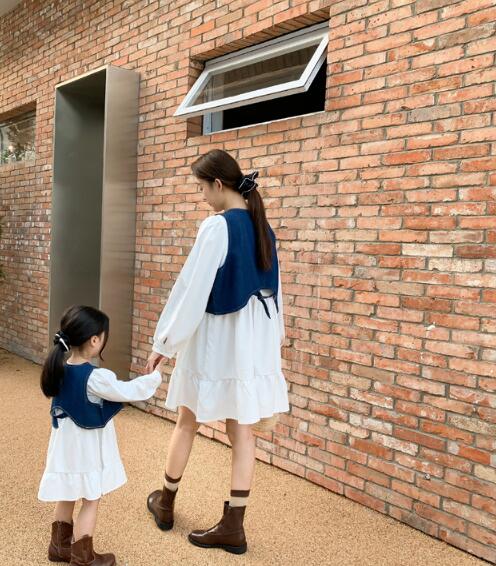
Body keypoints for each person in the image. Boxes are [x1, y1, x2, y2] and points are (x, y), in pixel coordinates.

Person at [146, 149, 289, 554]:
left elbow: (191, 291)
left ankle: (165, 503)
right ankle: (233, 526)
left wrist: (164, 344)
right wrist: (275, 342)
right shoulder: (263, 227)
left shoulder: (217, 227)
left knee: (187, 420)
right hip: (255, 340)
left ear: (219, 184)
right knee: (241, 430)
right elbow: (277, 294)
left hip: (220, 338)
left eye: (202, 188)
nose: (203, 196)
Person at [38, 305, 162, 566]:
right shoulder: (95, 378)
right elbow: (129, 391)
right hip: (86, 450)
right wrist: (154, 378)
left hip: (63, 448)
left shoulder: (58, 369)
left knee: (67, 493)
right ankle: (83, 558)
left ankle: (59, 547)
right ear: (94, 340)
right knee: (90, 499)